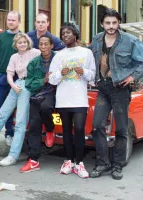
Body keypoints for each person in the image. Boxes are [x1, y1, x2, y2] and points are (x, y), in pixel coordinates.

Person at [88, 9, 143, 180]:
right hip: (102, 88)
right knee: (97, 126)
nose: (111, 26)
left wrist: (132, 76)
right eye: (107, 23)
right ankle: (102, 163)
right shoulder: (96, 39)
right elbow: (88, 57)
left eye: (114, 23)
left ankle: (118, 165)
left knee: (122, 129)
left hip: (120, 89)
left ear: (118, 23)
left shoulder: (129, 40)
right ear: (102, 24)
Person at [49, 23, 95, 179]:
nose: (65, 35)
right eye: (62, 34)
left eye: (68, 32)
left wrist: (84, 72)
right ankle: (69, 161)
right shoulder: (59, 55)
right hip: (63, 99)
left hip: (80, 99)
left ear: (75, 34)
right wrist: (60, 74)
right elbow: (51, 80)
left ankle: (80, 163)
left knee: (80, 130)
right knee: (66, 131)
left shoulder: (86, 53)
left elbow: (92, 76)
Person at [0, 33, 40, 166]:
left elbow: (48, 58)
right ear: (16, 45)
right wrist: (12, 85)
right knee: (1, 115)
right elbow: (10, 73)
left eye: (24, 42)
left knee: (20, 122)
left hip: (28, 86)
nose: (22, 44)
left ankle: (13, 155)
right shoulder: (14, 56)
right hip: (16, 85)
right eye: (20, 42)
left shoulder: (35, 53)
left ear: (28, 42)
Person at [20, 35, 57, 173]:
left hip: (55, 93)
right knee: (34, 126)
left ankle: (49, 129)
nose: (43, 47)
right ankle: (33, 160)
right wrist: (43, 80)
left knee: (46, 107)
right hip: (36, 94)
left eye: (46, 44)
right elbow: (28, 84)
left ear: (52, 45)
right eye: (41, 44)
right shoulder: (33, 63)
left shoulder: (58, 59)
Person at [0, 11, 21, 146]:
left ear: (19, 21)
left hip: (16, 78)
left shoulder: (22, 38)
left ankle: (9, 133)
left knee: (11, 108)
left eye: (13, 20)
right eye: (9, 20)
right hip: (0, 75)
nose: (11, 22)